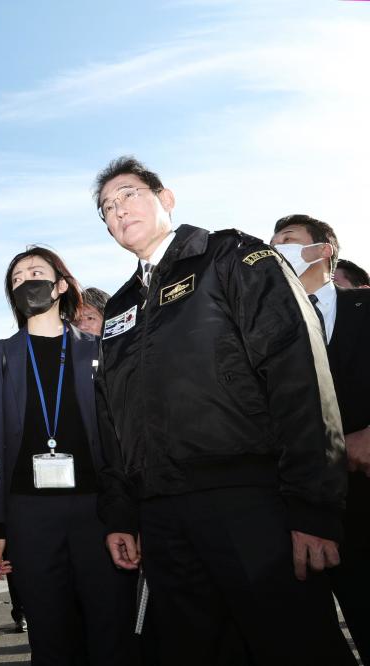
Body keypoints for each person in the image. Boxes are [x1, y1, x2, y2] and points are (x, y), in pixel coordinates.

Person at [92, 156, 353, 666]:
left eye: (127, 195)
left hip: (249, 503)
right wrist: (121, 513)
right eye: (106, 208)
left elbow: (297, 371)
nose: (117, 210)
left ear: (166, 198)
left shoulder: (231, 256)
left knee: (293, 643)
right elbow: (112, 418)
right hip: (162, 516)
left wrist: (314, 505)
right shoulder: (120, 306)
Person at [0, 247, 139, 666]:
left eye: (35, 272)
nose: (25, 281)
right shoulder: (0, 354)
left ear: (61, 284)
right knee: (50, 636)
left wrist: (122, 516)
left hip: (95, 511)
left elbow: (116, 439)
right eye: (16, 278)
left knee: (110, 628)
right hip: (29, 514)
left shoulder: (97, 349)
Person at [271, 214, 370, 661]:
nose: (276, 249)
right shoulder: (261, 331)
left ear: (323, 250)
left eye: (287, 240)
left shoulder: (364, 309)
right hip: (294, 518)